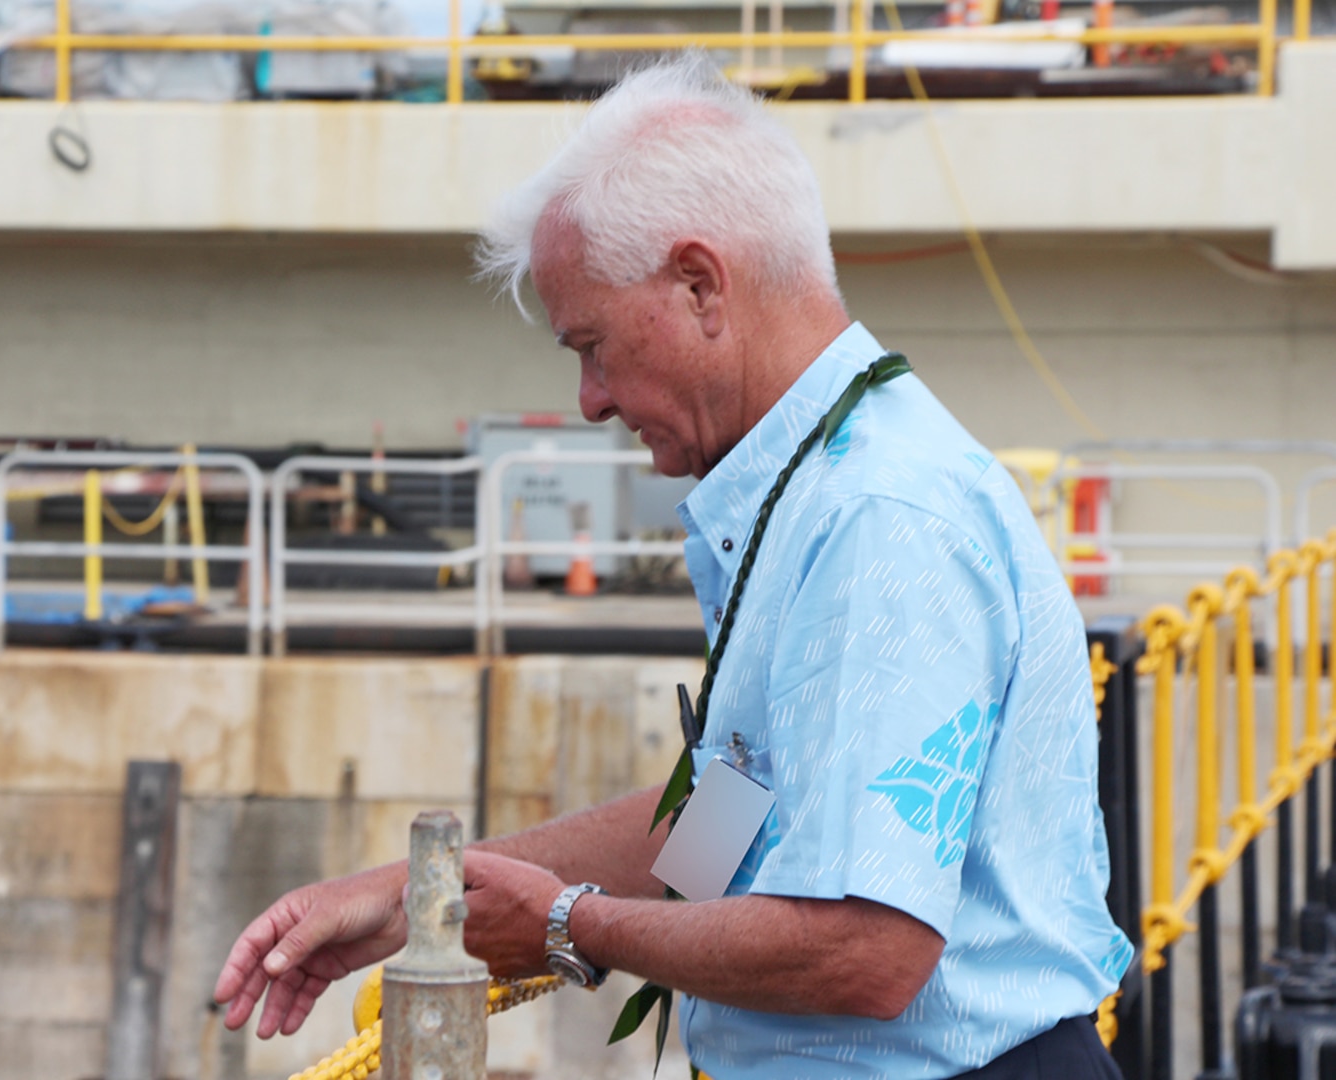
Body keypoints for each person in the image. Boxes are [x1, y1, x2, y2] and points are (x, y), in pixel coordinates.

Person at [216, 54, 1133, 1079]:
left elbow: (872, 953)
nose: (589, 402)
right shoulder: (814, 491)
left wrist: (569, 923)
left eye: (592, 345)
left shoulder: (879, 517)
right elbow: (726, 828)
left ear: (700, 286)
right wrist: (414, 897)